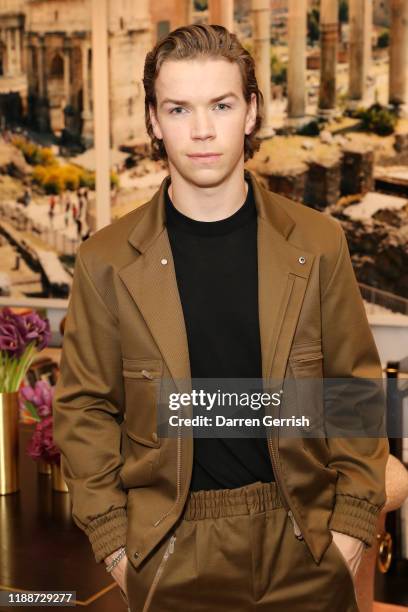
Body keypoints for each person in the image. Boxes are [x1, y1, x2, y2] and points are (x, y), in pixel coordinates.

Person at [53, 25, 389, 612]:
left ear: (251, 112)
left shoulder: (319, 242)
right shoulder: (104, 261)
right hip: (169, 552)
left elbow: (354, 391)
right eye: (179, 108)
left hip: (305, 546)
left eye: (222, 105)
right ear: (155, 121)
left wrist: (350, 534)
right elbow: (84, 408)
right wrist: (114, 547)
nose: (202, 130)